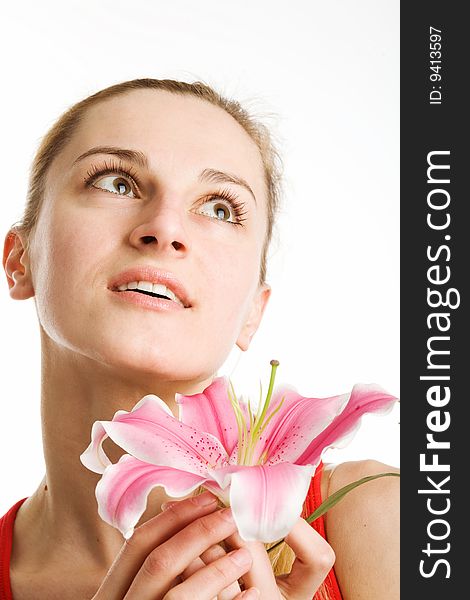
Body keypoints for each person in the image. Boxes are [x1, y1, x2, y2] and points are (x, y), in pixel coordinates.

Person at [1, 78, 399, 599]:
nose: (164, 228)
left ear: (253, 312)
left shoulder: (379, 516)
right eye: (115, 182)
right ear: (19, 259)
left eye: (219, 208)